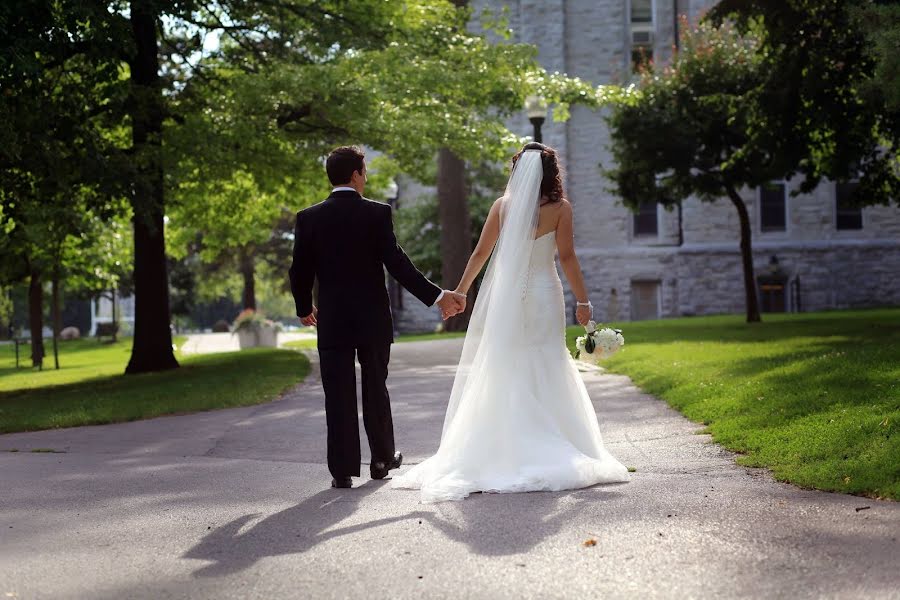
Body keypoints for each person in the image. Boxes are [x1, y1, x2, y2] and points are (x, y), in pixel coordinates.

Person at [392, 142, 630, 502]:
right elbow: (566, 257)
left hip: (507, 294)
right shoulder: (560, 209)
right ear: (552, 174)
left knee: (504, 360)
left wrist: (460, 292)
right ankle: (555, 439)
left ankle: (502, 442)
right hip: (543, 292)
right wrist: (584, 302)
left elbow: (480, 253)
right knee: (547, 357)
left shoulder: (503, 207)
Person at [289, 146, 466, 489]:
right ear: (355, 175)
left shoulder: (309, 217)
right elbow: (397, 264)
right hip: (372, 319)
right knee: (375, 387)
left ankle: (342, 471)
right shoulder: (377, 213)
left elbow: (300, 269)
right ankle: (382, 460)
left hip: (334, 320)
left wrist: (302, 307)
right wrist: (437, 296)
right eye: (365, 172)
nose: (366, 178)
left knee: (337, 393)